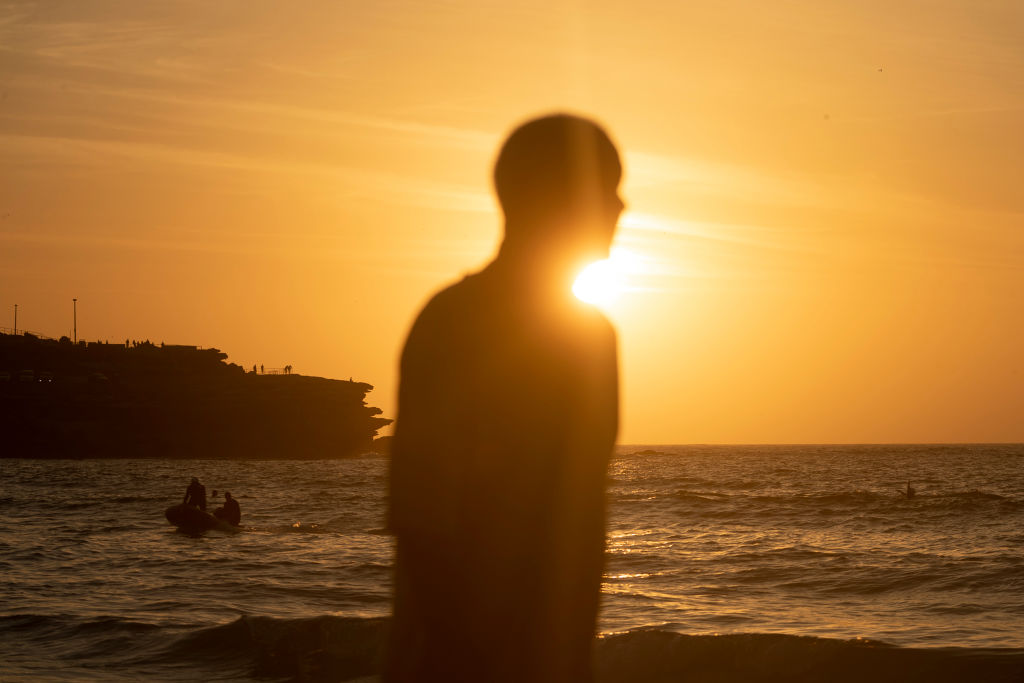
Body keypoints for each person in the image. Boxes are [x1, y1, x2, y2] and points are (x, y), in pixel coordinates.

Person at [385, 113, 623, 683]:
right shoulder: (453, 326)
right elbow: (425, 521)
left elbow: (580, 518)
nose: (621, 208)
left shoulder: (592, 338)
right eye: (608, 189)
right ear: (555, 197)